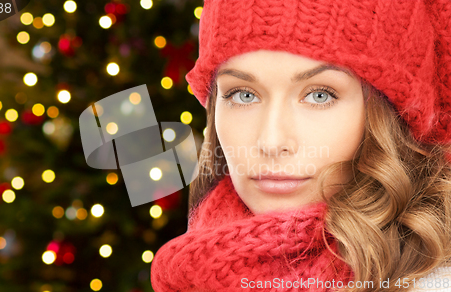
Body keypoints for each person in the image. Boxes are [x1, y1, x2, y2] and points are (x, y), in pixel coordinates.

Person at [151, 0, 451, 291]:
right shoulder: (194, 268)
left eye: (320, 95)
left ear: (392, 115)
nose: (271, 141)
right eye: (243, 95)